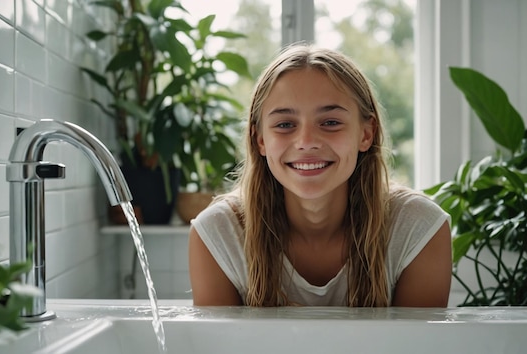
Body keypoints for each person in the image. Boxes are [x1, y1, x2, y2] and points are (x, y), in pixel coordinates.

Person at [188, 44, 451, 307]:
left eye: (330, 123)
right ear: (260, 140)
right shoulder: (219, 234)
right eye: (285, 125)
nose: (306, 141)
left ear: (366, 134)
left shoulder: (418, 228)